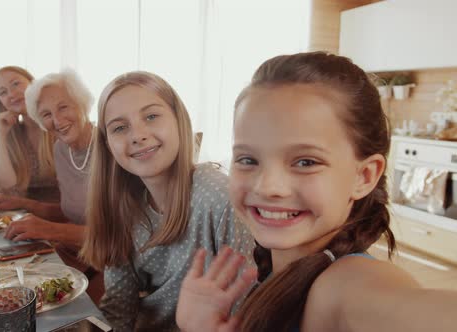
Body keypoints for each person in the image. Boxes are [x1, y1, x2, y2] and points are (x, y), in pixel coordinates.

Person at [176, 52, 457, 332]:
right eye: (248, 160)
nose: (267, 187)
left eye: (305, 162)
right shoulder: (280, 274)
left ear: (364, 176)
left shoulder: (344, 287)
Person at [80, 71, 254, 331]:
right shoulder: (123, 206)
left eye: (151, 116)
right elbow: (118, 308)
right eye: (119, 127)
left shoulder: (219, 197)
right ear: (107, 145)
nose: (137, 135)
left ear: (178, 119)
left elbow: (241, 311)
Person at [0, 69, 103, 302]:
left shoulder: (108, 148)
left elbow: (121, 239)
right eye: (46, 114)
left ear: (82, 103)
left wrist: (50, 230)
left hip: (109, 263)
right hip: (73, 249)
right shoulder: (62, 148)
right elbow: (71, 211)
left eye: (63, 107)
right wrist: (22, 204)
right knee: (2, 283)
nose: (57, 120)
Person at [0, 66, 59, 202]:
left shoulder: (59, 125)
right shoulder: (12, 135)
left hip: (63, 216)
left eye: (16, 84)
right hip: (25, 215)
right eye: (3, 92)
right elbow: (7, 190)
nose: (11, 94)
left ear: (33, 84)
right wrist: (0, 135)